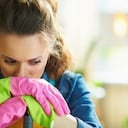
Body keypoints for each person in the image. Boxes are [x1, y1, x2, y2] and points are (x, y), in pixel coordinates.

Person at [0, 0, 102, 128]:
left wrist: (59, 119)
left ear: (50, 51)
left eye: (35, 61)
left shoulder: (70, 86)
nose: (21, 74)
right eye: (10, 61)